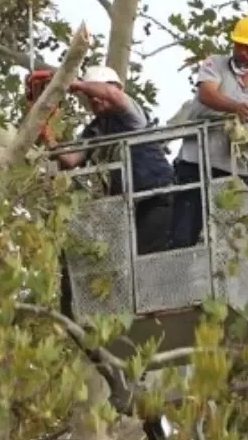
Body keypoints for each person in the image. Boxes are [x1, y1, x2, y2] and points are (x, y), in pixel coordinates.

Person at [48, 65, 175, 314]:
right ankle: (117, 312)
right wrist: (49, 136)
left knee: (146, 256)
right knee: (114, 259)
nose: (96, 99)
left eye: (100, 93)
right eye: (91, 97)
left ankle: (151, 309)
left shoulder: (131, 113)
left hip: (158, 193)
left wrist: (75, 84)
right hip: (128, 205)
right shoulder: (96, 129)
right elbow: (72, 160)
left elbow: (113, 97)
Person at [170, 14, 248, 248]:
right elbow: (207, 94)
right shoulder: (215, 63)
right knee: (184, 233)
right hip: (196, 163)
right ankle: (180, 272)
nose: (243, 51)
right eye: (239, 45)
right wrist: (236, 108)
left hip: (234, 168)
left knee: (233, 239)